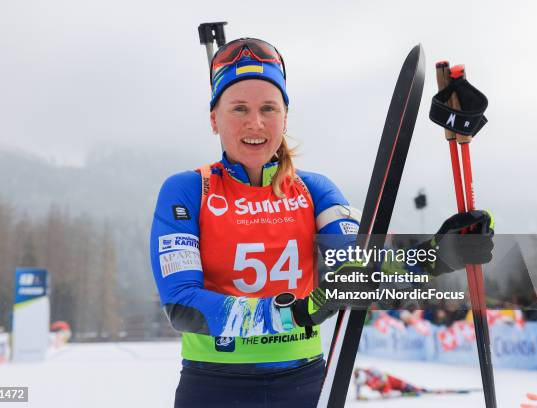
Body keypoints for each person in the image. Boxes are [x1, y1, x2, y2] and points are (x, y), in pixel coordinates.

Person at [150, 37, 495, 407]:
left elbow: (359, 273)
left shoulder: (314, 192)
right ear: (214, 118)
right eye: (238, 108)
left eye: (269, 107)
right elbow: (183, 304)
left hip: (304, 384)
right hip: (213, 386)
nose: (255, 122)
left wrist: (439, 254)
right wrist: (289, 313)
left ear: (284, 116)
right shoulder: (188, 190)